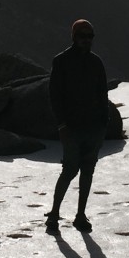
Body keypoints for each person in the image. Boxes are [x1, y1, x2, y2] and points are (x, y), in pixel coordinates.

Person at [45, 18, 110, 234]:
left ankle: (80, 215)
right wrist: (62, 125)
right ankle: (54, 214)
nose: (87, 40)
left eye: (90, 36)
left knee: (87, 170)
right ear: (74, 37)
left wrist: (103, 124)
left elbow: (102, 94)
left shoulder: (96, 62)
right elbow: (55, 96)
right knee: (70, 169)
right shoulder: (61, 61)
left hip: (94, 127)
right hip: (72, 127)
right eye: (83, 35)